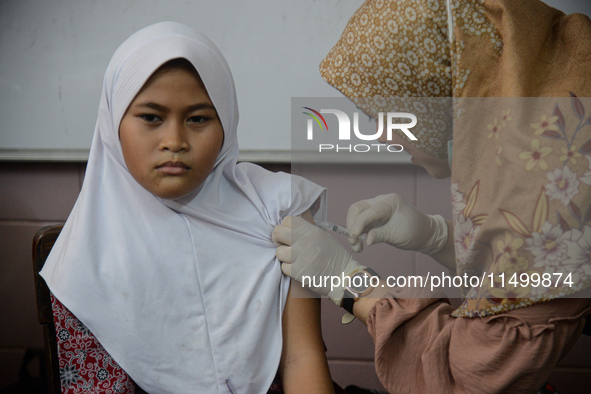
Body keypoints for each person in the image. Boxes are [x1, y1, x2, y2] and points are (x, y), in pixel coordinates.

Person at [273, 0, 591, 392]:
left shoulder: (553, 167)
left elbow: (470, 377)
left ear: (437, 92)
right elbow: (538, 276)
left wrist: (350, 283)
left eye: (385, 117)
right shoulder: (549, 109)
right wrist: (438, 236)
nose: (385, 137)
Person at [40, 22, 336, 394]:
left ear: (226, 121)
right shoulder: (83, 261)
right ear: (112, 123)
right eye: (151, 117)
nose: (174, 141)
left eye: (198, 118)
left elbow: (302, 359)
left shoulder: (278, 209)